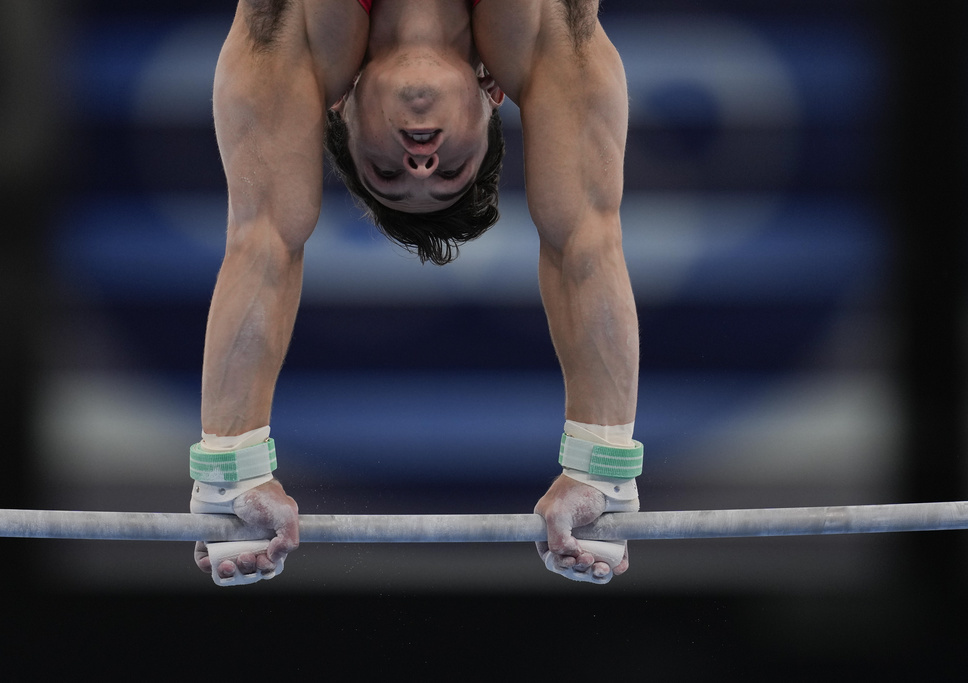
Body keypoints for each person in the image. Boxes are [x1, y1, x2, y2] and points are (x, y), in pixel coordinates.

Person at [190, 0, 642, 586]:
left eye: (386, 172)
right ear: (492, 96)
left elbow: (265, 241)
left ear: (339, 106)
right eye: (452, 171)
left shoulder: (298, 32)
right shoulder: (535, 26)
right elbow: (584, 238)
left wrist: (230, 476)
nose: (422, 165)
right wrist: (601, 472)